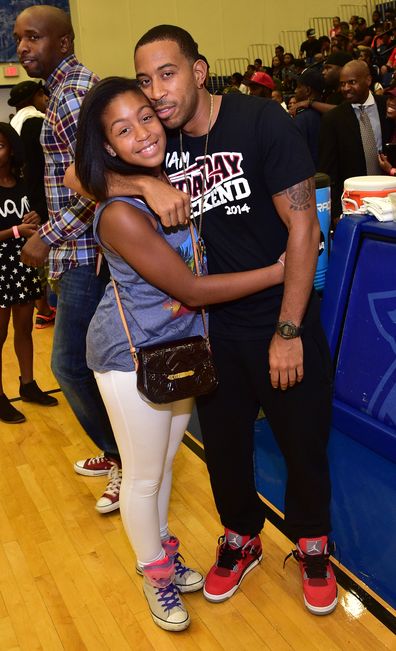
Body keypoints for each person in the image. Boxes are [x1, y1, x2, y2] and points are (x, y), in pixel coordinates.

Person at [66, 24, 336, 617]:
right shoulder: (158, 143)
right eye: (145, 81)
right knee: (227, 451)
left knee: (302, 439)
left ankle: (314, 544)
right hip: (207, 331)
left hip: (277, 318)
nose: (157, 93)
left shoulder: (261, 122)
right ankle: (241, 537)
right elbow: (77, 172)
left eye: (167, 74)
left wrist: (289, 329)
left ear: (199, 69)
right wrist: (139, 181)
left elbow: (303, 228)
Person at [13, 4, 121, 513]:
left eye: (32, 37)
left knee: (71, 364)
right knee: (89, 363)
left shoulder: (76, 95)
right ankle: (117, 450)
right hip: (73, 250)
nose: (22, 47)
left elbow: (98, 185)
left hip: (84, 253)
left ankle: (123, 456)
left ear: (64, 41)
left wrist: (47, 237)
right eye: (18, 39)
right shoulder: (64, 89)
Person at [0, 122, 58, 423]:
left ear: (11, 149)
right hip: (0, 266)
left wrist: (36, 217)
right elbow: (12, 229)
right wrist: (15, 230)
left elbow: (37, 217)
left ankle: (28, 384)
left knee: (23, 329)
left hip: (21, 263)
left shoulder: (24, 183)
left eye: (0, 146)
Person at [8, 80, 56, 329]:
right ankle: (45, 309)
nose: (46, 101)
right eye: (43, 96)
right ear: (35, 97)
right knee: (41, 259)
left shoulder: (13, 124)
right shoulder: (36, 122)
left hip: (18, 202)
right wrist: (41, 207)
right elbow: (39, 171)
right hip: (37, 203)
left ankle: (43, 309)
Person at [319, 60, 391, 223]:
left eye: (351, 82)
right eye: (342, 84)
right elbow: (328, 169)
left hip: (390, 198)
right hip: (354, 205)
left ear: (368, 80)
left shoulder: (387, 106)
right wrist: (336, 212)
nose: (345, 88)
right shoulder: (332, 119)